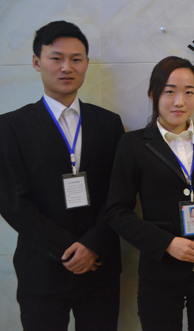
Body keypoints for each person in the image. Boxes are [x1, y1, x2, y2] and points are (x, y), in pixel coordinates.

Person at [106, 56, 194, 331]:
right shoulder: (133, 144)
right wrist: (167, 243)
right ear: (153, 94)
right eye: (170, 92)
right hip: (160, 271)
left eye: (189, 92)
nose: (179, 102)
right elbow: (117, 211)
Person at [0, 21, 123, 330]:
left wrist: (92, 245)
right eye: (56, 58)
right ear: (36, 62)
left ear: (86, 63)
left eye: (76, 59)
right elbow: (12, 201)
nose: (67, 67)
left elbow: (120, 191)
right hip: (41, 269)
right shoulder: (11, 126)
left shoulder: (108, 123)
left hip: (100, 266)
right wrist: (68, 251)